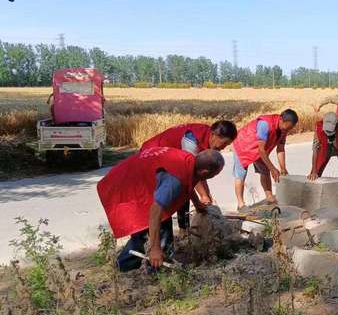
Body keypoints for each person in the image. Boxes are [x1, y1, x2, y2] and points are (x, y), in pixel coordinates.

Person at [97, 147, 225, 272]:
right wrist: (155, 248)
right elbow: (155, 212)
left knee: (160, 230)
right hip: (123, 187)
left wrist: (198, 205)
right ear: (204, 172)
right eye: (216, 174)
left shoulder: (190, 161)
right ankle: (134, 267)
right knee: (148, 231)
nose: (215, 176)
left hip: (132, 178)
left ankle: (144, 264)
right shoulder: (175, 179)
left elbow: (189, 183)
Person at [141, 120, 237, 229]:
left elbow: (198, 175)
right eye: (224, 143)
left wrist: (206, 195)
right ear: (213, 135)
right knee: (163, 205)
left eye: (227, 145)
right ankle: (160, 241)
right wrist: (203, 196)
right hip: (152, 158)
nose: (224, 147)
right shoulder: (191, 142)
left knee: (183, 192)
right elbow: (191, 174)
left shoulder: (207, 137)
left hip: (171, 163)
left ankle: (184, 230)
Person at [232, 109, 299, 211]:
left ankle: (269, 197)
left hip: (259, 150)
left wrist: (282, 168)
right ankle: (241, 204)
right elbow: (261, 150)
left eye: (290, 128)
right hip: (243, 144)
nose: (288, 130)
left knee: (265, 171)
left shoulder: (284, 130)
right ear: (281, 119)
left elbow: (280, 148)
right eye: (287, 127)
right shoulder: (265, 124)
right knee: (241, 174)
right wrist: (273, 168)